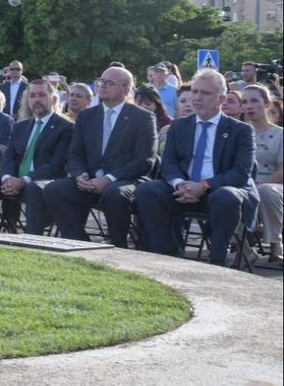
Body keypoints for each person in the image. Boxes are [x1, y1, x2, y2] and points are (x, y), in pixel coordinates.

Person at [135, 69, 258, 266]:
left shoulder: (241, 130)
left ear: (221, 99)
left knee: (227, 196)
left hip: (218, 190)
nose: (197, 98)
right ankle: (165, 255)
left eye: (205, 93)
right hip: (184, 189)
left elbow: (241, 173)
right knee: (148, 190)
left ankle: (218, 260)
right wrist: (179, 184)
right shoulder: (179, 126)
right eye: (195, 92)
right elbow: (169, 163)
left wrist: (204, 185)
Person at [44, 66, 156, 249]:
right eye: (101, 81)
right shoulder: (87, 116)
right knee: (54, 190)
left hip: (124, 180)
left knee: (115, 195)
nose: (102, 85)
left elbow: (145, 161)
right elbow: (74, 153)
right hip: (89, 180)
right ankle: (80, 244)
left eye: (109, 83)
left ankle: (118, 248)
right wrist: (79, 175)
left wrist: (109, 178)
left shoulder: (142, 117)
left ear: (126, 90)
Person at [0, 80, 74, 233]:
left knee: (34, 189)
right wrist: (7, 178)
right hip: (13, 180)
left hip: (40, 181)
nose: (37, 100)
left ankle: (31, 240)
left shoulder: (66, 128)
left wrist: (23, 180)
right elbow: (9, 157)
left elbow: (56, 166)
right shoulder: (21, 126)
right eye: (32, 96)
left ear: (53, 99)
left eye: (42, 95)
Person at [242, 84, 282, 265]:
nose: (249, 106)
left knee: (266, 191)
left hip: (273, 185)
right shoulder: (239, 132)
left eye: (254, 101)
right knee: (224, 194)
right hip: (245, 182)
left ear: (267, 105)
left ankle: (276, 243)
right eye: (245, 102)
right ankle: (245, 250)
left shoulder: (280, 135)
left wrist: (258, 187)